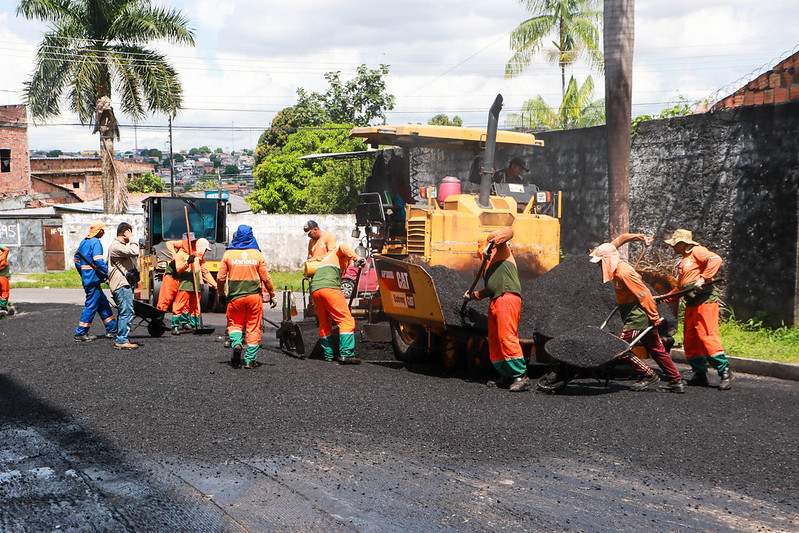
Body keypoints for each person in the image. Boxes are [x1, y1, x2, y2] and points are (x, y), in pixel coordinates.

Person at [589, 240, 685, 392]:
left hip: (638, 318)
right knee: (656, 348)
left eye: (600, 262)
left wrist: (653, 317)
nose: (598, 265)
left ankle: (649, 375)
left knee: (619, 349)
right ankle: (676, 381)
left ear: (608, 259)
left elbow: (644, 294)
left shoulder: (624, 272)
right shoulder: (617, 272)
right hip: (633, 314)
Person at [664, 229, 733, 390]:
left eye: (674, 244)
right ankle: (700, 374)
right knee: (690, 339)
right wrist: (661, 299)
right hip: (691, 304)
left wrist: (703, 278)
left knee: (706, 335)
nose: (672, 247)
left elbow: (716, 259)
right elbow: (680, 288)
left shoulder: (698, 251)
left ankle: (725, 372)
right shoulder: (683, 262)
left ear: (682, 243)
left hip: (705, 302)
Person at [463, 228, 530, 392]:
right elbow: (490, 288)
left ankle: (521, 376)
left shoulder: (500, 250)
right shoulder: (489, 264)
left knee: (507, 336)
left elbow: (509, 231)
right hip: (496, 300)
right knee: (495, 339)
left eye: (480, 248)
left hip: (507, 297)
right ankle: (506, 374)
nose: (479, 252)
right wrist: (474, 296)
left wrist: (490, 244)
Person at [217, 225, 276, 369]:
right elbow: (266, 278)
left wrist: (220, 293)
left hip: (235, 298)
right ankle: (250, 360)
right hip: (254, 298)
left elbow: (220, 278)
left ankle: (237, 343)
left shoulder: (228, 255)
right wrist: (272, 295)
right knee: (253, 327)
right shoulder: (257, 255)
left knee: (235, 323)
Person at [310, 245, 365, 364]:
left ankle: (329, 354)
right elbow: (343, 247)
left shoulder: (328, 257)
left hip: (315, 289)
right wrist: (357, 258)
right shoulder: (338, 252)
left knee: (324, 323)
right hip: (329, 288)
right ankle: (346, 354)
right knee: (346, 320)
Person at [74, 221, 117, 341]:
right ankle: (80, 333)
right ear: (98, 231)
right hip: (93, 279)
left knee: (103, 303)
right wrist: (107, 274)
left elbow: (76, 260)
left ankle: (112, 329)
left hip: (89, 279)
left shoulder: (84, 242)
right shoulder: (96, 242)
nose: (103, 233)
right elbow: (98, 260)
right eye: (102, 230)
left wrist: (83, 273)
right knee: (91, 305)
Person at [173, 233, 217, 331]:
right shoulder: (181, 254)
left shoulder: (197, 256)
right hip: (186, 282)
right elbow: (178, 269)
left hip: (196, 283)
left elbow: (205, 271)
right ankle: (175, 325)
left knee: (195, 305)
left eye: (194, 242)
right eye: (191, 242)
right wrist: (187, 262)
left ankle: (195, 324)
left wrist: (215, 285)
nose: (192, 244)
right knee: (180, 303)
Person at [107, 222, 140, 350]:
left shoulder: (119, 246)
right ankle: (122, 339)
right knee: (126, 311)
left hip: (124, 284)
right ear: (126, 232)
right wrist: (131, 238)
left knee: (124, 311)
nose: (132, 235)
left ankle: (122, 337)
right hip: (121, 285)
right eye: (130, 232)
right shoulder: (116, 247)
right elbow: (134, 251)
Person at [156, 238, 185, 335]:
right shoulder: (183, 244)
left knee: (182, 303)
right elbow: (169, 243)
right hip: (172, 276)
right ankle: (158, 322)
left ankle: (183, 323)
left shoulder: (197, 250)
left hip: (184, 278)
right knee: (165, 300)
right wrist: (174, 255)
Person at [0, 244, 11, 317]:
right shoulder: (3, 257)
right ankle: (3, 306)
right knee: (5, 291)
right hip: (3, 277)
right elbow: (6, 249)